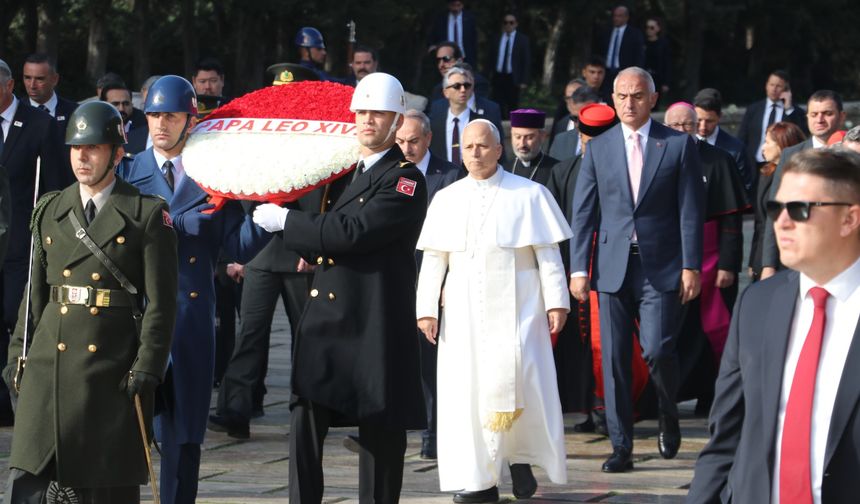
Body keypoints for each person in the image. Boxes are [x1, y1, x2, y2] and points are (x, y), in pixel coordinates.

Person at [251, 72, 428, 503]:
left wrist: (288, 222)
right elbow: (320, 219)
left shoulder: (405, 179)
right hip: (329, 318)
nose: (368, 120)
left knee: (380, 431)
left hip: (373, 321)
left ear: (396, 120)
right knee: (305, 414)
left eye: (379, 114)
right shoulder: (340, 173)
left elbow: (353, 231)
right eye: (363, 112)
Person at [2, 101, 178, 503]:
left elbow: (162, 304)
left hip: (111, 369)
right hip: (48, 365)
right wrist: (17, 357)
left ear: (117, 154)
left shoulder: (146, 214)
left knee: (103, 486)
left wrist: (148, 366)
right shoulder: (50, 210)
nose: (82, 156)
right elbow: (35, 296)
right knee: (32, 484)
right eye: (76, 147)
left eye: (94, 147)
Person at [119, 75, 270, 504]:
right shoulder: (131, 172)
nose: (160, 124)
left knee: (185, 435)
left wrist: (270, 211)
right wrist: (172, 223)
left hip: (191, 319)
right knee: (130, 428)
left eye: (170, 115)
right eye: (153, 115)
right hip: (139, 317)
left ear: (191, 119)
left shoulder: (212, 175)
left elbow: (236, 244)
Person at [687, 148, 860, 503]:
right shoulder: (757, 304)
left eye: (800, 209)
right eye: (774, 208)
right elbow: (726, 438)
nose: (781, 221)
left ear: (849, 219)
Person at [416, 119, 569, 502]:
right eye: (468, 147)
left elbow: (548, 254)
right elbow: (435, 259)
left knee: (523, 388)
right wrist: (426, 309)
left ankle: (518, 460)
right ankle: (481, 480)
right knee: (467, 393)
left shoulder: (530, 194)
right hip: (464, 315)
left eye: (483, 146)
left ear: (499, 149)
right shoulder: (447, 198)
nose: (475, 154)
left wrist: (556, 301)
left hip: (521, 310)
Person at [569, 67, 704, 473]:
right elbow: (583, 212)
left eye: (637, 96)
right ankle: (621, 445)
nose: (629, 103)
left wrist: (691, 264)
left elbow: (690, 211)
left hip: (659, 265)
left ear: (653, 98)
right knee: (612, 360)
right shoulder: (599, 148)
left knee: (660, 349)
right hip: (610, 266)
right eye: (622, 96)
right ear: (612, 98)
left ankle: (667, 410)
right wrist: (578, 268)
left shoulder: (677, 145)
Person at [208, 70, 325, 440]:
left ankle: (310, 410)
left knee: (305, 337)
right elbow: (243, 185)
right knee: (251, 334)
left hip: (298, 251)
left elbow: (318, 195)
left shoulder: (316, 133)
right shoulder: (258, 132)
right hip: (259, 249)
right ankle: (234, 410)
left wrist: (312, 247)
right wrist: (241, 247)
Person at [664, 102, 749, 415]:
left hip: (712, 259)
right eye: (674, 125)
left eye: (688, 125)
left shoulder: (718, 160)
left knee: (711, 331)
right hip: (668, 259)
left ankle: (711, 396)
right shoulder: (656, 158)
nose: (682, 130)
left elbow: (731, 221)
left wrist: (728, 264)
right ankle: (669, 395)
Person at [0, 58, 65, 426]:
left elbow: (54, 185)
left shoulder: (40, 125)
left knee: (20, 318)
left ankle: (30, 389)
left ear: (8, 88)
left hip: (22, 244)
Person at [546, 103, 618, 430]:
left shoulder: (626, 170)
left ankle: (612, 410)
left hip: (613, 269)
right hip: (573, 270)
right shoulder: (563, 172)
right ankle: (586, 407)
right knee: (578, 345)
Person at [393, 108, 459, 460]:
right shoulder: (390, 172)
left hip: (432, 280)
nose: (406, 148)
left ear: (429, 139)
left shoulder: (449, 175)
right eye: (400, 141)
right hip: (394, 277)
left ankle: (432, 432)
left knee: (430, 362)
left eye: (414, 141)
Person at [760, 90, 846, 280]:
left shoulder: (853, 151)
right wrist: (768, 264)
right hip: (800, 257)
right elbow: (776, 210)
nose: (820, 119)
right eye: (814, 114)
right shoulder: (791, 155)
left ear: (842, 116)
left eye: (827, 113)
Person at [748, 121, 806, 281]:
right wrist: (755, 260)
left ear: (782, 144)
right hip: (763, 258)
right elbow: (760, 223)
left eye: (767, 142)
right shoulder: (766, 174)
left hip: (787, 259)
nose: (763, 148)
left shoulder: (798, 178)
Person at [736, 70, 807, 177]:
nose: (774, 89)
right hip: (753, 164)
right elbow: (742, 137)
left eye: (778, 86)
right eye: (771, 84)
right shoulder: (754, 109)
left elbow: (799, 135)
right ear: (766, 86)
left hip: (780, 164)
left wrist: (788, 109)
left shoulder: (794, 112)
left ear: (786, 89)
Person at [428, 66, 504, 165]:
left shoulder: (483, 122)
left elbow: (500, 153)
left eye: (467, 85)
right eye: (457, 86)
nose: (463, 89)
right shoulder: (434, 122)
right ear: (446, 92)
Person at [693, 88, 750, 193]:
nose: (703, 126)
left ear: (720, 117)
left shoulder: (735, 149)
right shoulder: (683, 144)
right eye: (699, 120)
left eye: (709, 121)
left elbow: (743, 188)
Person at [488, 13, 531, 118]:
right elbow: (490, 58)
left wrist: (524, 80)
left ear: (516, 24)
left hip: (513, 77)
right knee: (497, 102)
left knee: (513, 104)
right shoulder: (496, 38)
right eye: (505, 22)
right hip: (498, 76)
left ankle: (513, 126)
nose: (508, 25)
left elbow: (526, 61)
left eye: (511, 23)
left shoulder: (522, 39)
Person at [597, 5, 645, 97]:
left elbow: (639, 56)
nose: (616, 18)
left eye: (619, 16)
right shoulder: (606, 31)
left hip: (624, 71)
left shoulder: (634, 34)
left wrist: (636, 73)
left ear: (626, 17)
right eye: (615, 16)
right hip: (606, 71)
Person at [506, 108, 558, 185]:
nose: (522, 144)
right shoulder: (503, 170)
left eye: (529, 137)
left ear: (542, 136)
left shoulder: (557, 170)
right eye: (517, 137)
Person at [549, 86, 601, 160]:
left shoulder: (612, 142)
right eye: (574, 118)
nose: (578, 124)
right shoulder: (560, 141)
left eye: (584, 118)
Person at [428, 0, 478, 67]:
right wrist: (432, 45)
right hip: (446, 57)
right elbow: (433, 36)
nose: (456, 8)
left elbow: (473, 40)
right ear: (449, 5)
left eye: (458, 5)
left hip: (465, 57)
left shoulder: (469, 19)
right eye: (453, 5)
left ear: (462, 5)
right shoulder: (441, 19)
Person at [644, 16, 671, 99]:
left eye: (652, 27)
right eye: (647, 27)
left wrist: (666, 83)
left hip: (657, 79)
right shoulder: (642, 42)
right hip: (644, 77)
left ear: (658, 29)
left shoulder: (663, 44)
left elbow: (667, 63)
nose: (649, 30)